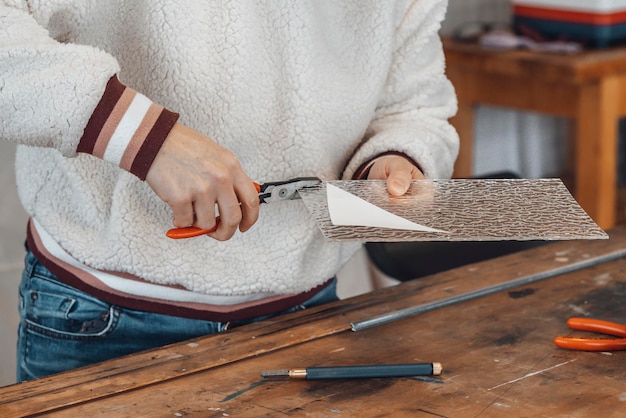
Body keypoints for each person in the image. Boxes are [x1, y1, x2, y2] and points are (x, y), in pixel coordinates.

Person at [0, 0, 459, 382]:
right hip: (104, 320)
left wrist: (397, 160)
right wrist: (143, 137)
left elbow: (415, 105)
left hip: (307, 317)